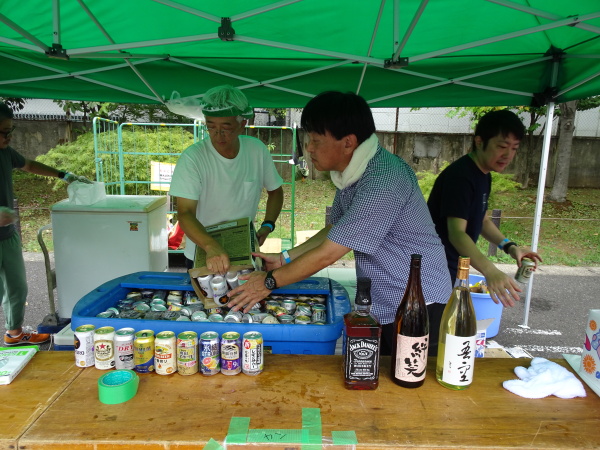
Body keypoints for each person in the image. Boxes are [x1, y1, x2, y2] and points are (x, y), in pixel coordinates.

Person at [227, 91, 452, 356]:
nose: (308, 148)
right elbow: (334, 229)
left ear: (348, 143)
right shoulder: (352, 175)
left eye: (316, 140)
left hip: (422, 303)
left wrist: (267, 283)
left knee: (413, 386)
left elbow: (329, 253)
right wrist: (285, 258)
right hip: (385, 302)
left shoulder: (383, 179)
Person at [427, 109, 542, 307]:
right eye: (502, 146)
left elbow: (481, 219)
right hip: (435, 269)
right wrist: (490, 270)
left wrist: (510, 247)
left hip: (452, 266)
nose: (508, 155)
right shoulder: (461, 177)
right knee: (436, 331)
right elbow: (457, 234)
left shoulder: (483, 174)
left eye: (514, 148)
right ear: (479, 142)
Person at [0, 102, 91, 346]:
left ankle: (15, 333)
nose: (9, 137)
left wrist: (63, 174)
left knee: (17, 288)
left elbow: (28, 164)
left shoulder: (5, 153)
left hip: (7, 236)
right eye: (3, 132)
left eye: (11, 130)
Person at [169, 85, 284, 273]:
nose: (218, 134)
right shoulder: (194, 157)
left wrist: (267, 225)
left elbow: (275, 191)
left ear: (242, 124)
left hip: (244, 253)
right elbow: (185, 213)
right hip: (203, 253)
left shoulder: (256, 150)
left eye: (226, 127)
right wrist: (210, 246)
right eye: (211, 126)